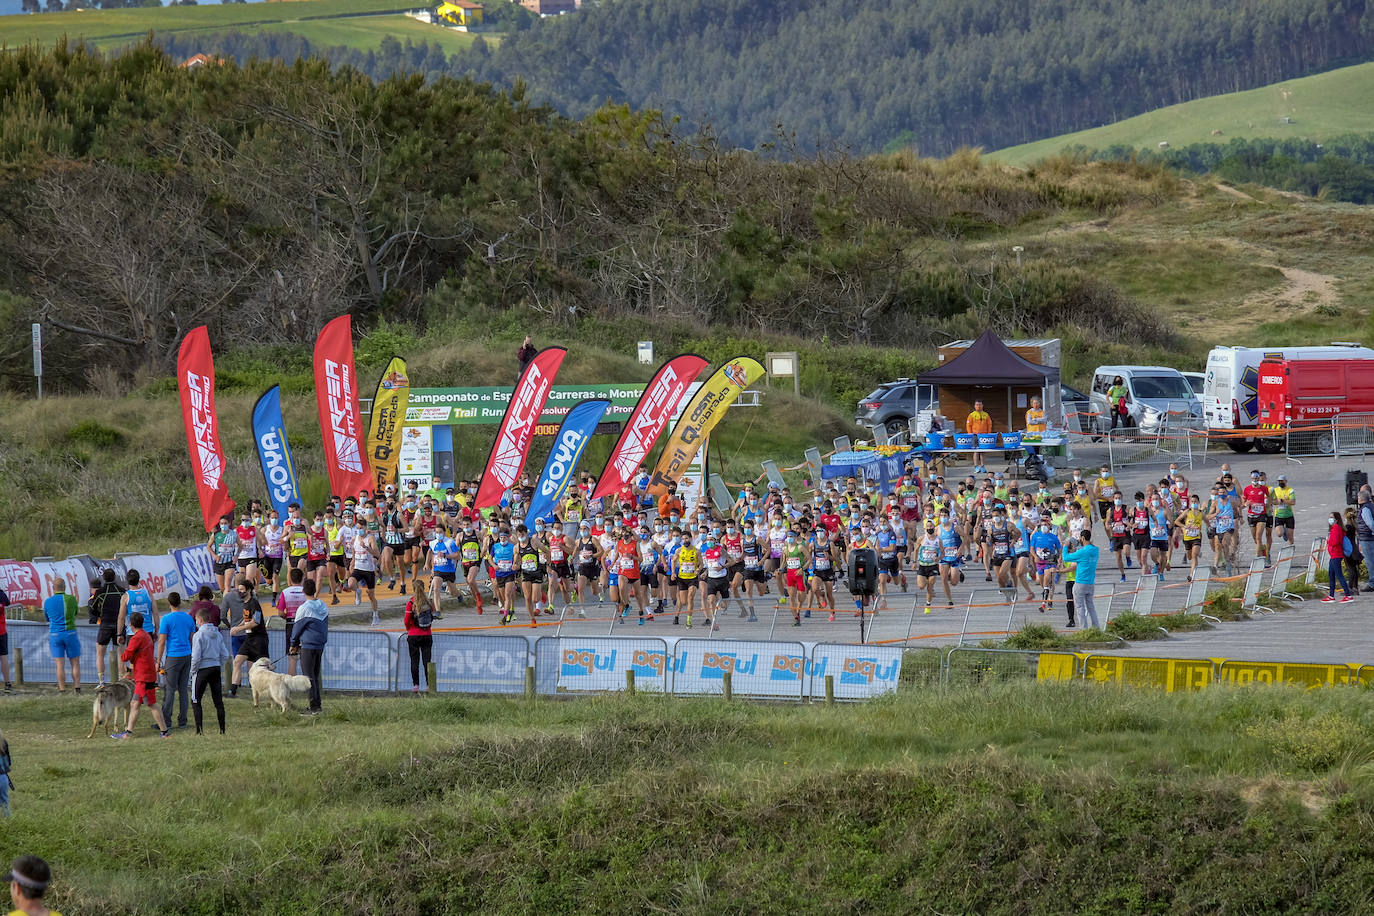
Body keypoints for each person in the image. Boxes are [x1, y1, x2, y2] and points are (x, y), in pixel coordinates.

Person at [117, 611, 169, 739]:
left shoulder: (136, 638)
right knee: (134, 704)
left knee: (151, 704)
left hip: (144, 676)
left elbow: (126, 656)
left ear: (131, 625)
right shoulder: (146, 635)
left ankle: (164, 732)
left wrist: (121, 649)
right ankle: (128, 732)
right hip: (146, 675)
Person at [156, 592, 197, 730]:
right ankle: (183, 720)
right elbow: (191, 638)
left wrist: (158, 660)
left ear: (169, 603)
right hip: (186, 655)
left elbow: (161, 641)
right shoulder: (188, 618)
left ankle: (166, 721)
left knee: (170, 689)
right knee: (183, 689)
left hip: (173, 656)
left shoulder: (166, 619)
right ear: (180, 602)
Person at [290, 579, 329, 716]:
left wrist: (293, 644)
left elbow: (297, 629)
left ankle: (314, 708)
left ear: (303, 591)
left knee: (308, 677)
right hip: (320, 644)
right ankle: (317, 705)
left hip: (308, 645)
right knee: (315, 676)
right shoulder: (323, 605)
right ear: (315, 590)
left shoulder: (304, 608)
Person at [189, 604, 228, 735]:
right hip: (215, 667)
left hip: (202, 669)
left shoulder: (198, 635)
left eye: (196, 620)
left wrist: (193, 671)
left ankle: (199, 730)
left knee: (195, 699)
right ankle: (222, 730)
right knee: (218, 700)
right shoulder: (217, 634)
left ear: (200, 620)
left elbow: (196, 656)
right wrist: (218, 663)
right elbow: (225, 654)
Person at [227, 578, 267, 698]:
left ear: (249, 590)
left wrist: (239, 629)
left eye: (242, 590)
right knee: (237, 661)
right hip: (249, 639)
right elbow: (246, 619)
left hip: (259, 639)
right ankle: (232, 691)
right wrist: (236, 627)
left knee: (263, 666)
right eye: (238, 590)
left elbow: (256, 621)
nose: (240, 592)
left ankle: (264, 690)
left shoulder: (254, 603)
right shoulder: (245, 603)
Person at [41, 580, 80, 694]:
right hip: (70, 633)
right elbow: (75, 613)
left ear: (53, 588)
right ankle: (77, 687)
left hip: (55, 634)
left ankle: (62, 689)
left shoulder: (48, 602)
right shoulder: (72, 599)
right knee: (75, 662)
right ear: (65, 587)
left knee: (59, 664)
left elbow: (47, 618)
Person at [1063, 529, 1101, 629]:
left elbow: (1066, 558)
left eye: (1081, 538)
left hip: (1080, 582)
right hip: (1090, 582)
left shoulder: (1082, 552)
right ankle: (1096, 627)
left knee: (1080, 608)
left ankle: (1084, 629)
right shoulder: (1095, 550)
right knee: (1091, 607)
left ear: (1083, 538)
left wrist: (1065, 546)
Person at [404, 579, 434, 692]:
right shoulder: (429, 602)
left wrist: (409, 630)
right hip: (427, 634)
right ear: (424, 588)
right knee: (427, 661)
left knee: (414, 661)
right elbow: (433, 617)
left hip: (413, 635)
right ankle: (429, 685)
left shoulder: (411, 603)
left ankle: (416, 685)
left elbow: (407, 620)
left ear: (413, 589)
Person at [1324, 512, 1357, 603]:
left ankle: (1348, 595)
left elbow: (1335, 542)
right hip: (1334, 555)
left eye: (1332, 517)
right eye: (1329, 517)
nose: (1330, 519)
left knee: (1339, 575)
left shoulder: (1336, 529)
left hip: (1336, 554)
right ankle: (1331, 595)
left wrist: (1328, 541)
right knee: (1331, 574)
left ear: (1337, 520)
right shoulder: (1335, 528)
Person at [965, 400, 993, 474]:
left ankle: (983, 466)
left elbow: (989, 424)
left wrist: (988, 434)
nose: (978, 406)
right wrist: (970, 434)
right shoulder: (972, 415)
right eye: (977, 405)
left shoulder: (986, 415)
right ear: (974, 406)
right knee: (976, 451)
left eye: (980, 405)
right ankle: (976, 467)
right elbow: (968, 425)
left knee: (983, 451)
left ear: (982, 405)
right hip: (975, 435)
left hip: (984, 435)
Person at [1358, 487, 1374, 593]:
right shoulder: (1371, 506)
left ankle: (1372, 583)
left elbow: (1370, 524)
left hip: (1367, 538)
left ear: (1361, 499)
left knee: (1370, 561)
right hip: (1369, 537)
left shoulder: (1365, 509)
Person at [0, 587, 10, 694]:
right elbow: (7, 603)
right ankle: (7, 683)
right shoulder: (1, 594)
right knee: (3, 656)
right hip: (1, 631)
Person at [0, 725, 10, 816]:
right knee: (5, 804)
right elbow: (8, 763)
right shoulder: (3, 743)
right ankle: (8, 826)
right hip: (3, 777)